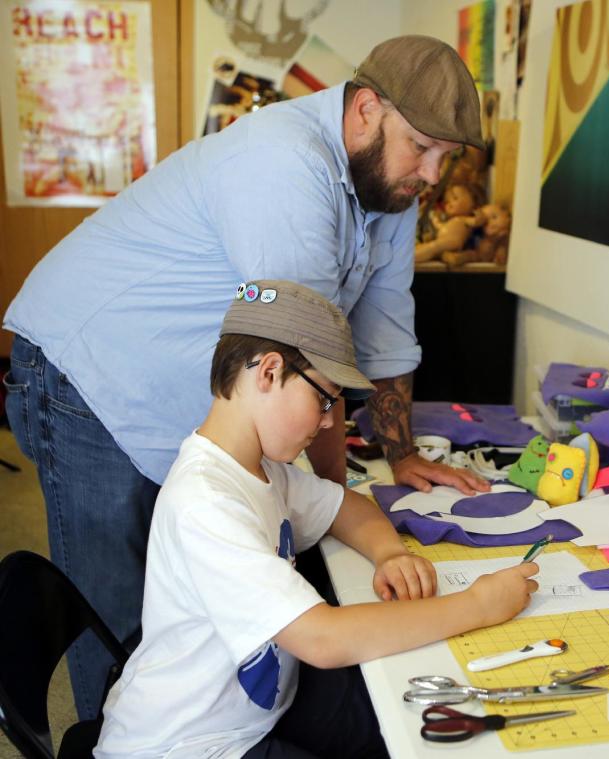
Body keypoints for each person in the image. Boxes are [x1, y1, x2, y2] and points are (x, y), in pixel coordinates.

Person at [2, 34, 490, 721]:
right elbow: (306, 357)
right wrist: (328, 497)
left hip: (170, 373)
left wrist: (401, 452)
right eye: (422, 148)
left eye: (448, 157)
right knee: (116, 609)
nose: (433, 175)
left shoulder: (392, 189)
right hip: (89, 368)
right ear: (366, 110)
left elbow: (383, 327)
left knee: (185, 596)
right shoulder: (285, 162)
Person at [93, 280, 539, 758]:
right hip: (192, 744)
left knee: (395, 719)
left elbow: (347, 507)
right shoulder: (207, 501)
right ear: (267, 372)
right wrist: (479, 606)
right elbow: (322, 639)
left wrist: (389, 553)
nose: (329, 421)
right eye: (323, 399)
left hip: (255, 709)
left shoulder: (258, 468)